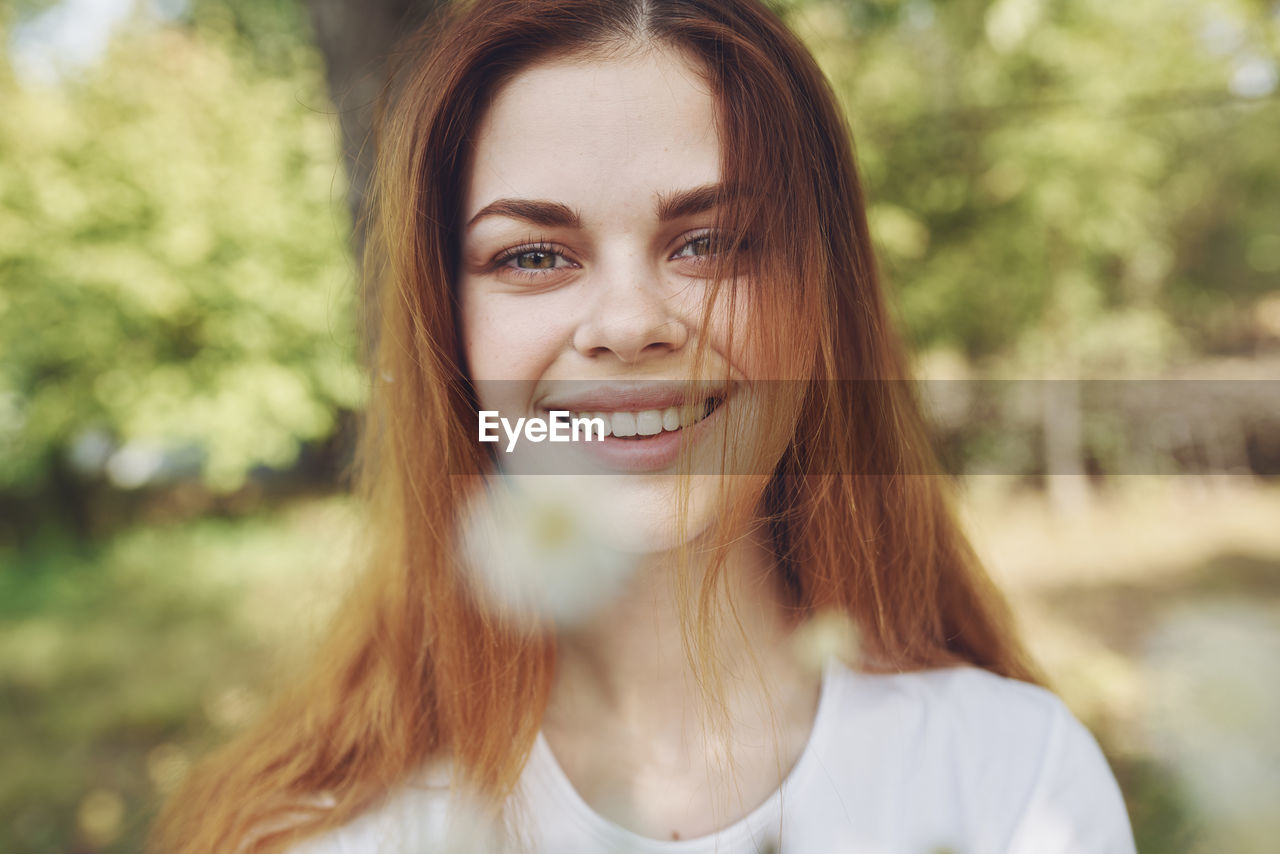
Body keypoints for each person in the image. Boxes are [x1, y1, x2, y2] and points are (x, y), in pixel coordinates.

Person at [151, 0, 1136, 852]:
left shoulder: (1012, 779)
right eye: (533, 256)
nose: (627, 324)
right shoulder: (320, 832)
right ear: (444, 323)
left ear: (822, 299)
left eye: (710, 242)